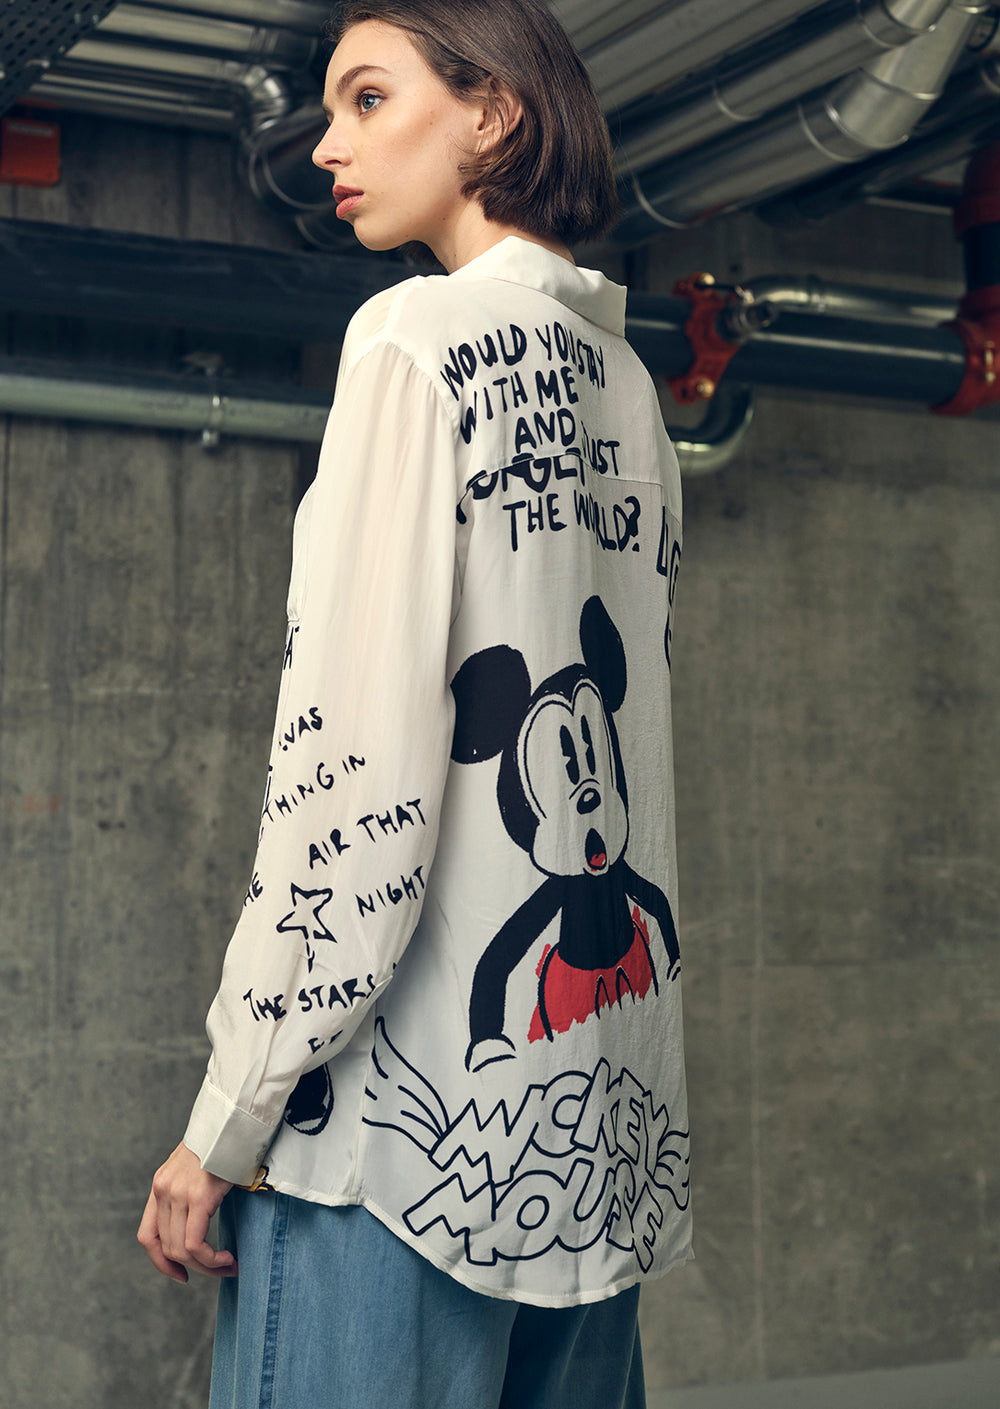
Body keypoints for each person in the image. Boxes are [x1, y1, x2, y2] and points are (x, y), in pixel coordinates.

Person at [138, 2, 691, 1405]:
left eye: (369, 99)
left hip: (396, 1157)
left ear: (492, 112)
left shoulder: (412, 340)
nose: (327, 145)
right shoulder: (630, 387)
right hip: (592, 1152)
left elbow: (356, 777)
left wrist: (230, 1113)